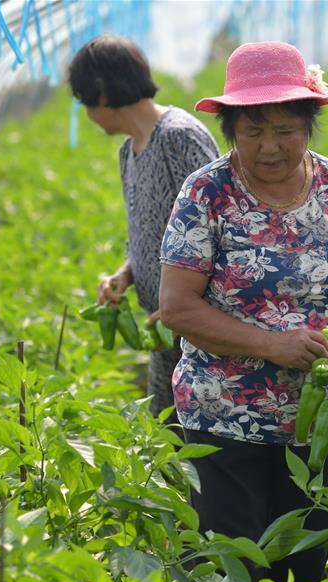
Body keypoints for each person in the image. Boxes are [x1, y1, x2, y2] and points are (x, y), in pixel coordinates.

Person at [157, 41, 328, 582]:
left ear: (310, 124)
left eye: (284, 129)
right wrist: (272, 344)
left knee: (305, 572)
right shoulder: (207, 194)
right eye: (252, 130)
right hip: (223, 421)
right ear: (231, 128)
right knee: (229, 570)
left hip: (321, 423)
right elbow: (177, 306)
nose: (268, 146)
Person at [67, 35, 220, 424]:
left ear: (101, 93)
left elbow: (224, 226)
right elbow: (150, 233)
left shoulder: (178, 136)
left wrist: (183, 306)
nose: (86, 112)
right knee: (166, 435)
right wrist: (126, 274)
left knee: (200, 440)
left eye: (84, 100)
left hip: (205, 330)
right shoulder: (129, 152)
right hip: (163, 326)